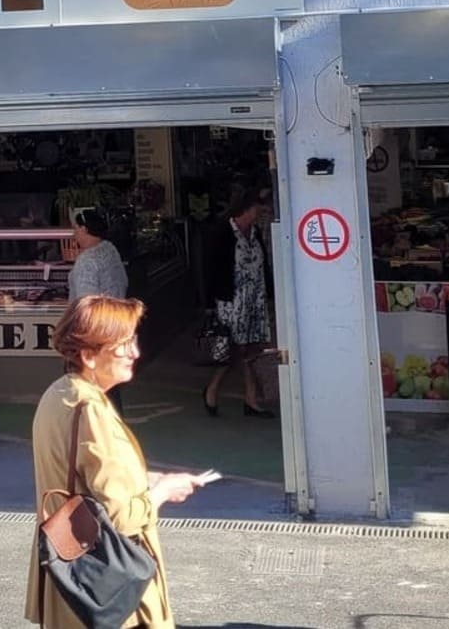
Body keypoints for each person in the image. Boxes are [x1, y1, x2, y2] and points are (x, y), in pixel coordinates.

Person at [25, 295, 200, 628]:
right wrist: (163, 490)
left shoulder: (58, 394)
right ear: (89, 355)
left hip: (68, 574)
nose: (134, 353)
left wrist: (141, 478)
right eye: (122, 345)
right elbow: (121, 517)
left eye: (132, 340)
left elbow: (74, 474)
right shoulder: (92, 412)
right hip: (110, 590)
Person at [201, 189, 275, 418]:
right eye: (256, 208)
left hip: (254, 300)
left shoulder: (254, 233)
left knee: (250, 350)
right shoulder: (222, 232)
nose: (260, 212)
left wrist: (269, 292)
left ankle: (249, 399)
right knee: (233, 349)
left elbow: (263, 265)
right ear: (246, 209)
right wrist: (209, 302)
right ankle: (216, 390)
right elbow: (210, 269)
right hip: (231, 301)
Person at [68, 210, 129, 303]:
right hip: (117, 311)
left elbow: (86, 303)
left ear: (84, 229)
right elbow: (124, 282)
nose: (74, 234)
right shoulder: (110, 248)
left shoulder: (87, 260)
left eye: (76, 229)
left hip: (99, 315)